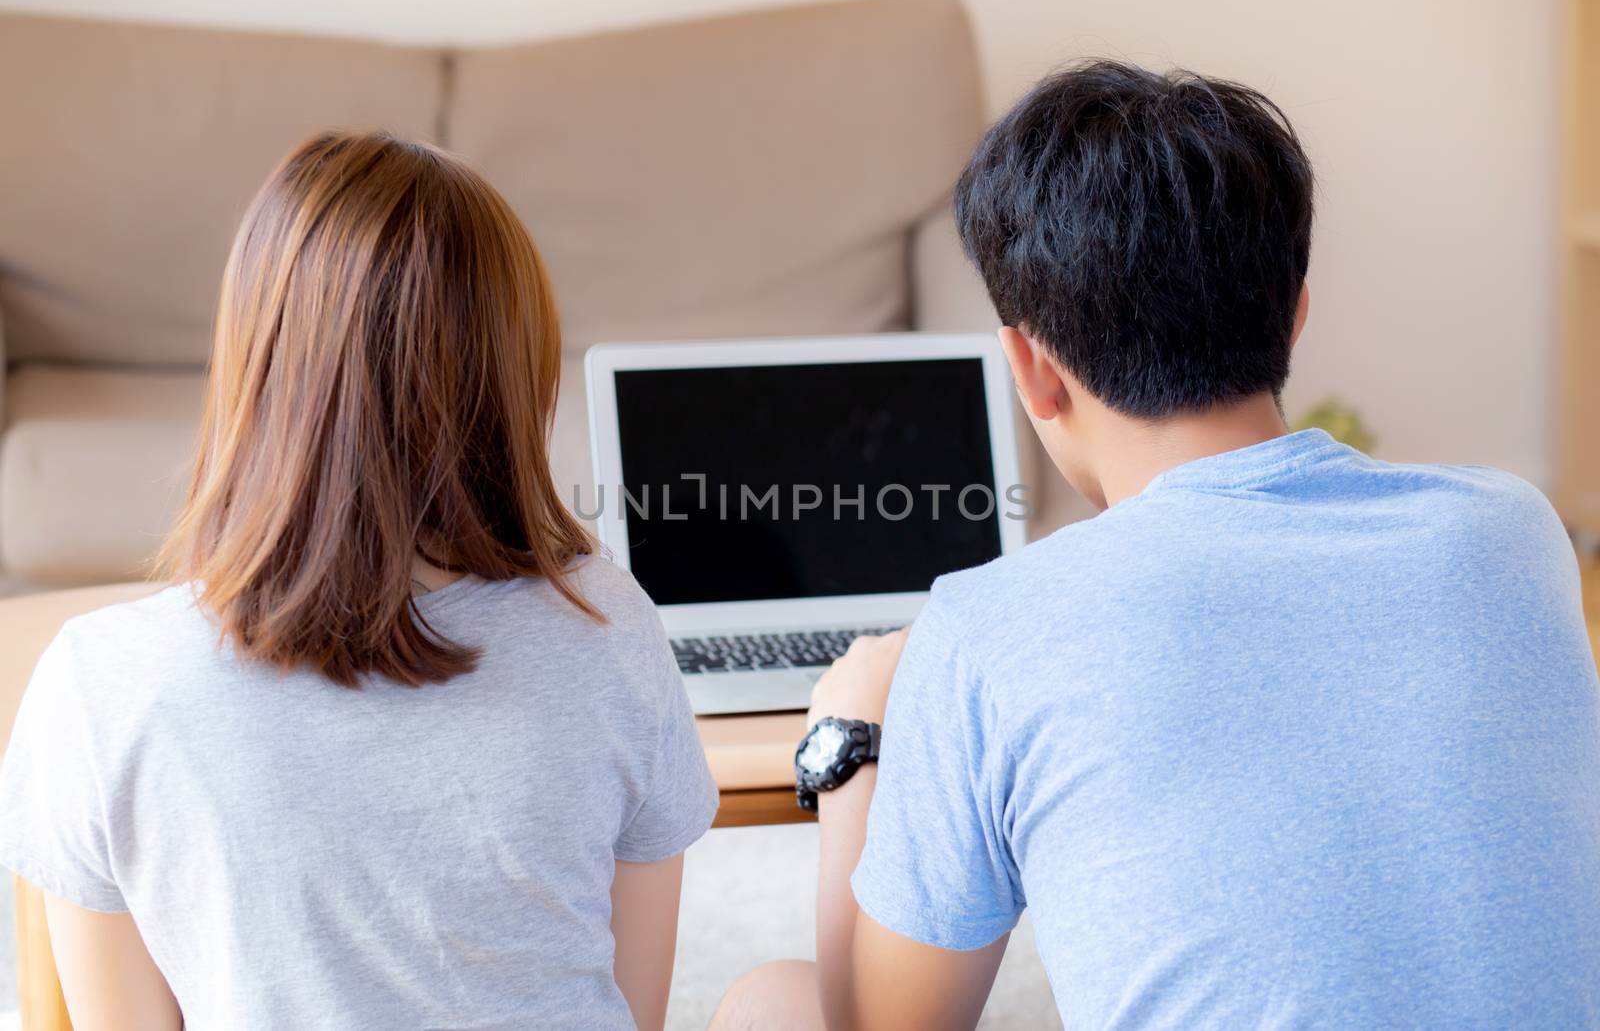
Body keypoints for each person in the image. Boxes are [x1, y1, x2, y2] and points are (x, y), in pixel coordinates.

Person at [712, 61, 1600, 1029]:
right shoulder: (1514, 531)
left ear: (1030, 368)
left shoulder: (989, 626)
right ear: (1295, 310)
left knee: (771, 1000)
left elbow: (882, 1025)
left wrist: (849, 745)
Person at [0, 131, 717, 1030]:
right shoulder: (610, 624)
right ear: (513, 378)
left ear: (257, 368)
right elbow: (632, 1009)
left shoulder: (101, 682)